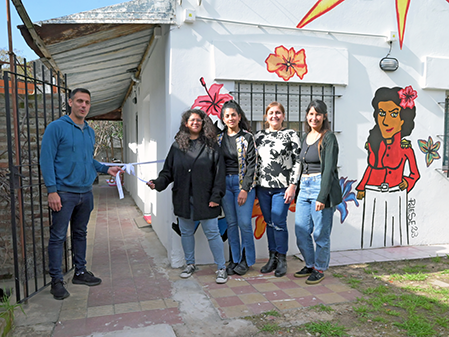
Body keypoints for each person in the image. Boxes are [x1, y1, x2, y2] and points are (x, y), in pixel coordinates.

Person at [40, 88, 122, 300]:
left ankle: (80, 272)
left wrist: (106, 169)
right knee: (58, 237)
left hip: (85, 193)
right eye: (79, 101)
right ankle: (56, 281)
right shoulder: (56, 128)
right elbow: (46, 160)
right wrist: (52, 191)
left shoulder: (89, 130)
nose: (83, 105)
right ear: (70, 102)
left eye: (86, 102)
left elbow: (88, 160)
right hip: (64, 193)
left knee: (80, 234)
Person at [147, 109, 228, 284]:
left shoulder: (212, 146)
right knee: (186, 232)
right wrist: (157, 183)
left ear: (203, 123)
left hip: (206, 199)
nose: (196, 122)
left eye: (199, 120)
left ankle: (221, 267)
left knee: (213, 233)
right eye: (192, 120)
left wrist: (216, 197)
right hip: (183, 197)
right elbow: (167, 172)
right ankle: (190, 264)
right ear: (186, 123)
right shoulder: (177, 146)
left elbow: (220, 175)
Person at [356, 87, 420, 248]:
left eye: (393, 114)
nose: (385, 121)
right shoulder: (374, 145)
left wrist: (408, 182)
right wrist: (362, 187)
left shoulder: (405, 147)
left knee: (396, 233)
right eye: (382, 113)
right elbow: (370, 169)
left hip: (396, 194)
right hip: (373, 193)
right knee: (370, 235)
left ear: (403, 119)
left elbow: (415, 173)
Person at [294, 100, 342, 284]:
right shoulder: (305, 136)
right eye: (311, 114)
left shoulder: (328, 138)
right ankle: (310, 263)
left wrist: (322, 196)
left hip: (320, 186)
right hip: (304, 188)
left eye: (318, 114)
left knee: (320, 233)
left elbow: (329, 169)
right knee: (301, 231)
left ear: (324, 116)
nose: (314, 118)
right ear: (307, 116)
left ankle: (319, 268)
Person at [255, 101, 301, 277]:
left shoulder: (290, 134)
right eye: (271, 113)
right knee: (269, 223)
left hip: (282, 187)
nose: (274, 116)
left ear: (283, 116)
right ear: (266, 117)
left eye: (278, 113)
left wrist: (292, 185)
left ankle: (282, 259)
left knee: (279, 223)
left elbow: (297, 161)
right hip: (263, 187)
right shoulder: (259, 136)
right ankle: (272, 258)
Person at [217, 100, 257, 276]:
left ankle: (246, 260)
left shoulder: (248, 137)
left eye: (234, 114)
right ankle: (234, 259)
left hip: (243, 186)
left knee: (245, 223)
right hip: (225, 184)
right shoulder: (218, 139)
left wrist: (245, 189)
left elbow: (253, 165)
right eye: (227, 115)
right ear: (223, 119)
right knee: (231, 224)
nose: (231, 118)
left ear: (239, 117)